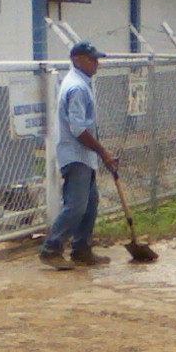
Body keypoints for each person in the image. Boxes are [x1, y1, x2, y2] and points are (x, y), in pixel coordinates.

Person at [40, 41, 118, 270]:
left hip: (84, 155)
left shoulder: (82, 83)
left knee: (90, 203)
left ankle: (81, 249)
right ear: (78, 59)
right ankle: (51, 249)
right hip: (75, 155)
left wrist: (99, 153)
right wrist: (103, 152)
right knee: (76, 205)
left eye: (97, 59)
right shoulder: (76, 87)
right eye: (92, 59)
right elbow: (77, 128)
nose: (97, 63)